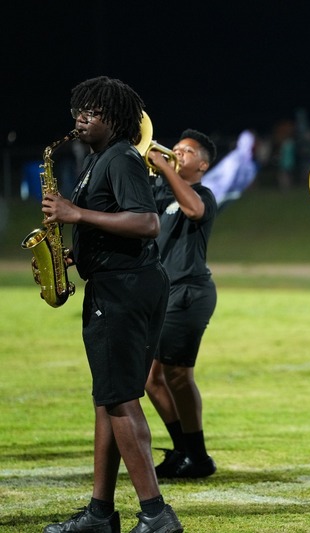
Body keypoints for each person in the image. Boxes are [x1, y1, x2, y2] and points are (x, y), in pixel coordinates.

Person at [40, 76, 182, 532]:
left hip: (123, 290)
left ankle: (156, 514)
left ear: (115, 119)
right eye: (78, 110)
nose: (81, 119)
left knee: (120, 400)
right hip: (121, 283)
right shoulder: (100, 159)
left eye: (92, 112)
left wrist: (76, 213)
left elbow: (147, 222)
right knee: (110, 399)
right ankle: (100, 514)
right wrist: (78, 252)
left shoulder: (120, 158)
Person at [145, 129, 219, 479]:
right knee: (151, 380)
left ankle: (198, 457)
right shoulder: (161, 194)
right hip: (163, 293)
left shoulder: (203, 194)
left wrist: (164, 166)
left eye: (185, 152)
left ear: (202, 165)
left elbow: (193, 209)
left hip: (189, 293)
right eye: (174, 149)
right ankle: (184, 451)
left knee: (177, 375)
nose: (176, 153)